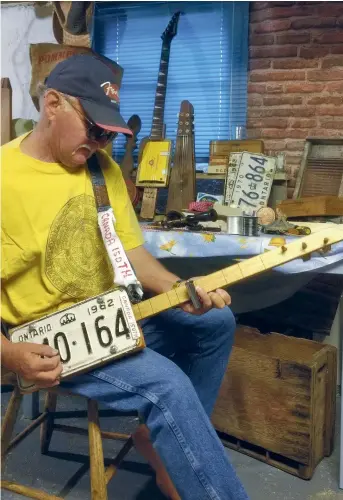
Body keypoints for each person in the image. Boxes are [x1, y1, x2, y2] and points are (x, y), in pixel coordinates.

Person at [1, 54, 249, 500]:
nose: (100, 143)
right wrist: (8, 354)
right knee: (168, 386)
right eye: (93, 129)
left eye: (107, 134)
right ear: (52, 104)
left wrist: (179, 290)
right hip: (56, 343)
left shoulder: (102, 170)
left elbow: (132, 254)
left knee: (215, 322)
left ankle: (164, 441)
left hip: (117, 316)